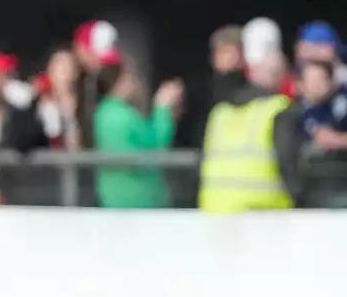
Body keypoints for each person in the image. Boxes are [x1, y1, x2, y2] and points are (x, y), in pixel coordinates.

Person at [198, 51, 304, 213]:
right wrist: (300, 200)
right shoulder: (279, 109)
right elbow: (287, 160)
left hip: (214, 210)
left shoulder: (219, 113)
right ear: (281, 76)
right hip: (262, 213)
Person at [92, 63, 183, 208]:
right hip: (139, 199)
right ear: (121, 81)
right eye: (130, 77)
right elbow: (157, 143)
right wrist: (162, 107)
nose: (134, 83)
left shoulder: (102, 113)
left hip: (111, 197)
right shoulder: (123, 116)